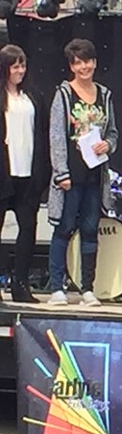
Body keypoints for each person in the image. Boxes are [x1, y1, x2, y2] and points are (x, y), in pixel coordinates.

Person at [47, 38, 118, 307]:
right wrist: (61, 172)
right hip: (71, 174)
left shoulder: (105, 94)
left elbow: (113, 133)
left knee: (90, 228)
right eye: (78, 62)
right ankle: (57, 288)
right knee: (64, 227)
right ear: (71, 66)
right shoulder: (64, 94)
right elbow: (56, 135)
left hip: (95, 173)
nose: (83, 67)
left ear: (95, 63)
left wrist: (108, 145)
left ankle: (87, 288)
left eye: (87, 61)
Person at [0, 44, 50, 302]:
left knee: (27, 228)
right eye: (15, 66)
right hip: (3, 174)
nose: (20, 70)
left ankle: (20, 284)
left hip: (28, 173)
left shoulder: (32, 96)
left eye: (23, 65)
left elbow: (42, 133)